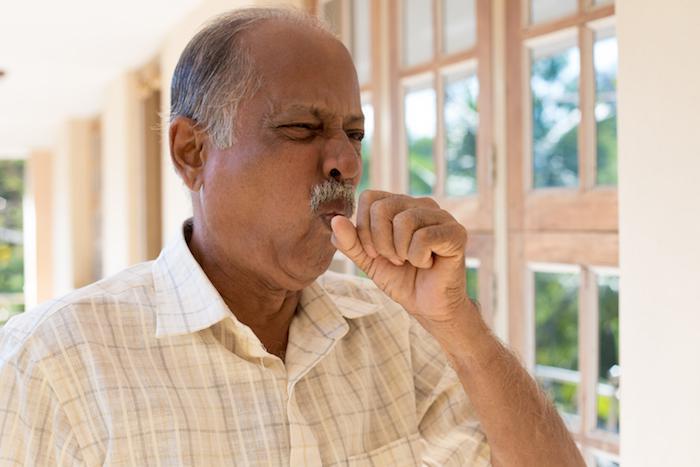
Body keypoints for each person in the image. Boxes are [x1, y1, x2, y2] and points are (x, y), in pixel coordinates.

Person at [0, 7, 585, 466]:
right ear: (191, 152)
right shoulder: (51, 364)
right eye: (302, 128)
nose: (344, 164)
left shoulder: (396, 334)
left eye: (354, 135)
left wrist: (460, 326)